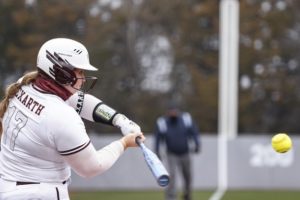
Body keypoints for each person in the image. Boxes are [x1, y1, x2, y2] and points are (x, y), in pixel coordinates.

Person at [0, 38, 145, 200]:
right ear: (61, 73)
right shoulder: (62, 116)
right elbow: (91, 167)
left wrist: (120, 120)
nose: (83, 78)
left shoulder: (26, 86)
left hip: (8, 188)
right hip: (39, 193)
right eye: (80, 72)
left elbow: (81, 101)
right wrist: (124, 143)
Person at [154, 105, 200, 200]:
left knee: (187, 175)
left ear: (178, 111)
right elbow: (158, 138)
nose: (173, 113)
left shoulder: (186, 119)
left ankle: (187, 194)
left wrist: (197, 144)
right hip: (171, 154)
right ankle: (171, 197)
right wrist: (157, 151)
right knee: (172, 175)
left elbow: (194, 132)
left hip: (185, 153)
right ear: (168, 112)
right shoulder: (163, 122)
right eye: (171, 111)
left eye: (175, 111)